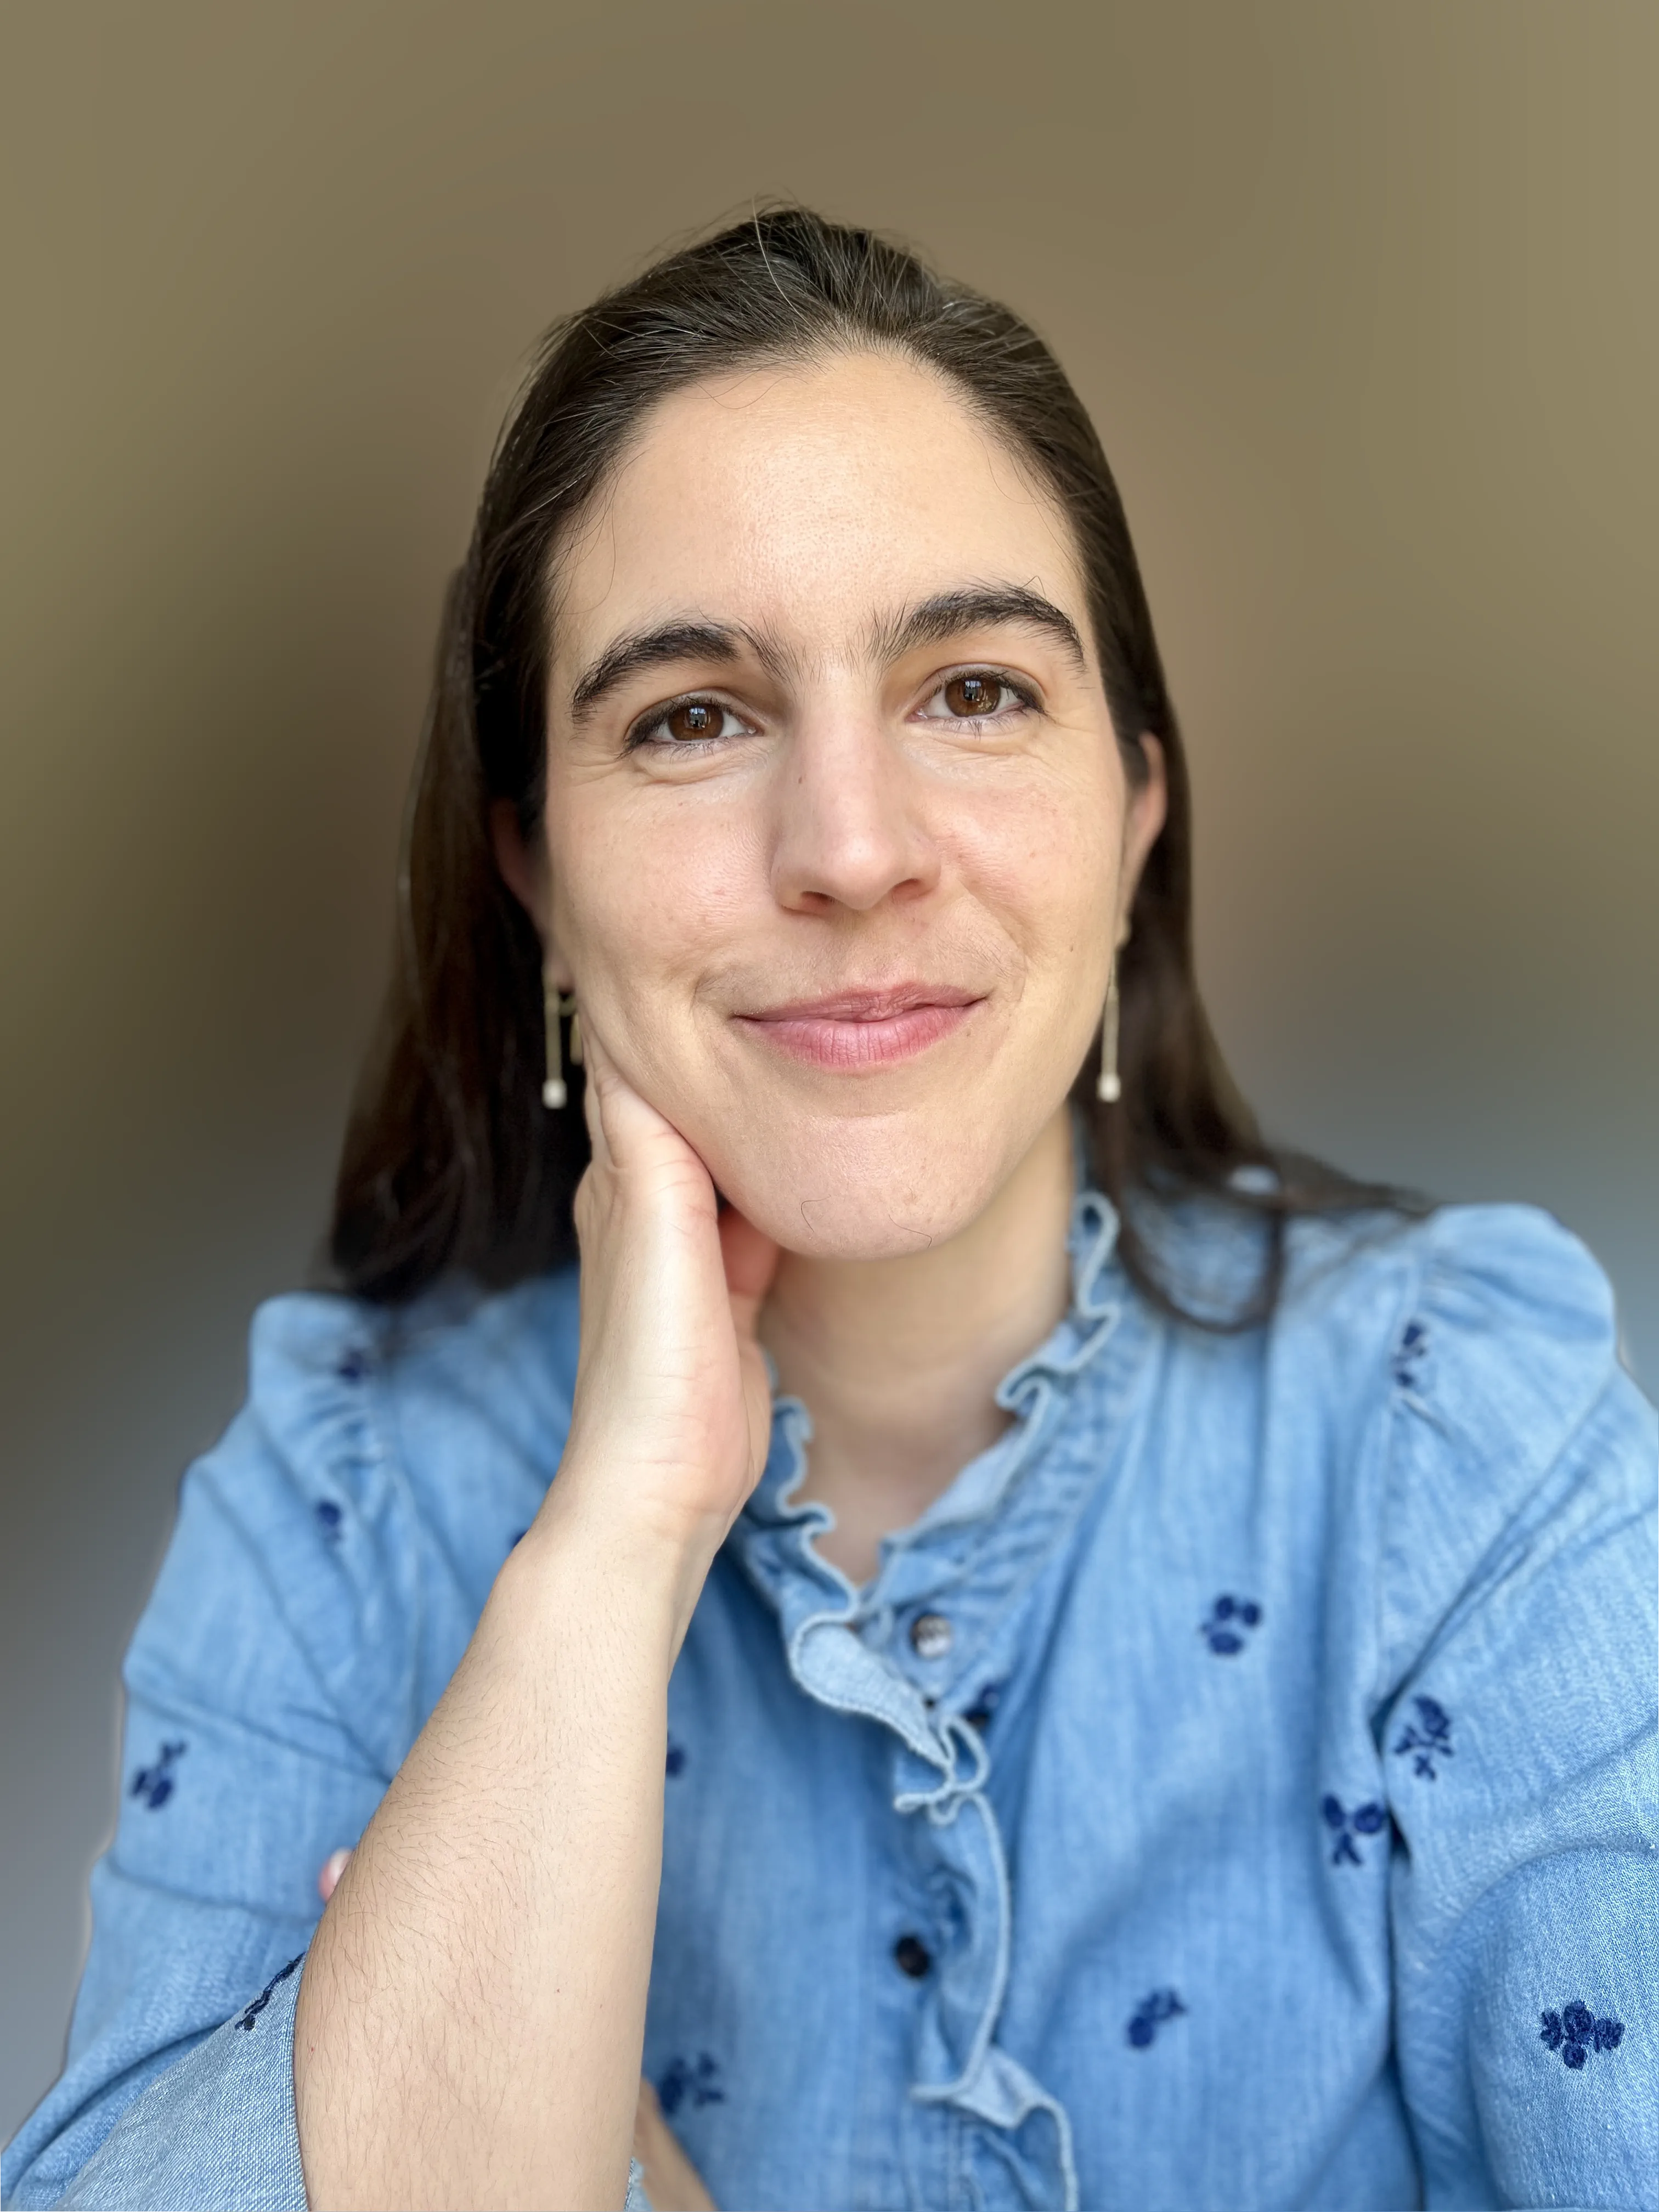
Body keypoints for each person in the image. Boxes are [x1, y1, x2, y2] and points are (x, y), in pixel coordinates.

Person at [3, 208, 1655, 2212]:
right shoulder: (341, 1500)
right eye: (691, 714)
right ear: (535, 873)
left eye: (973, 688)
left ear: (1136, 820)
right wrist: (619, 1538)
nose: (852, 850)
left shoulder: (1460, 1422)